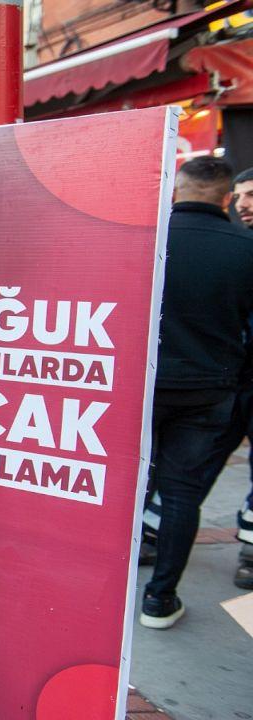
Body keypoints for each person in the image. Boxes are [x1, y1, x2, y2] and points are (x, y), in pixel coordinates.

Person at [142, 156, 253, 629]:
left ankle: (111, 582)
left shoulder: (147, 239)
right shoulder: (246, 247)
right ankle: (159, 599)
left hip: (143, 387)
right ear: (226, 198)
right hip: (210, 390)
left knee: (131, 486)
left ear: (176, 191)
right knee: (183, 493)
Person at [191, 165, 253, 589]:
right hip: (229, 381)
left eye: (252, 195)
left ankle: (249, 550)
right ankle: (159, 531)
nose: (244, 204)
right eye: (240, 195)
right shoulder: (236, 245)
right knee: (199, 460)